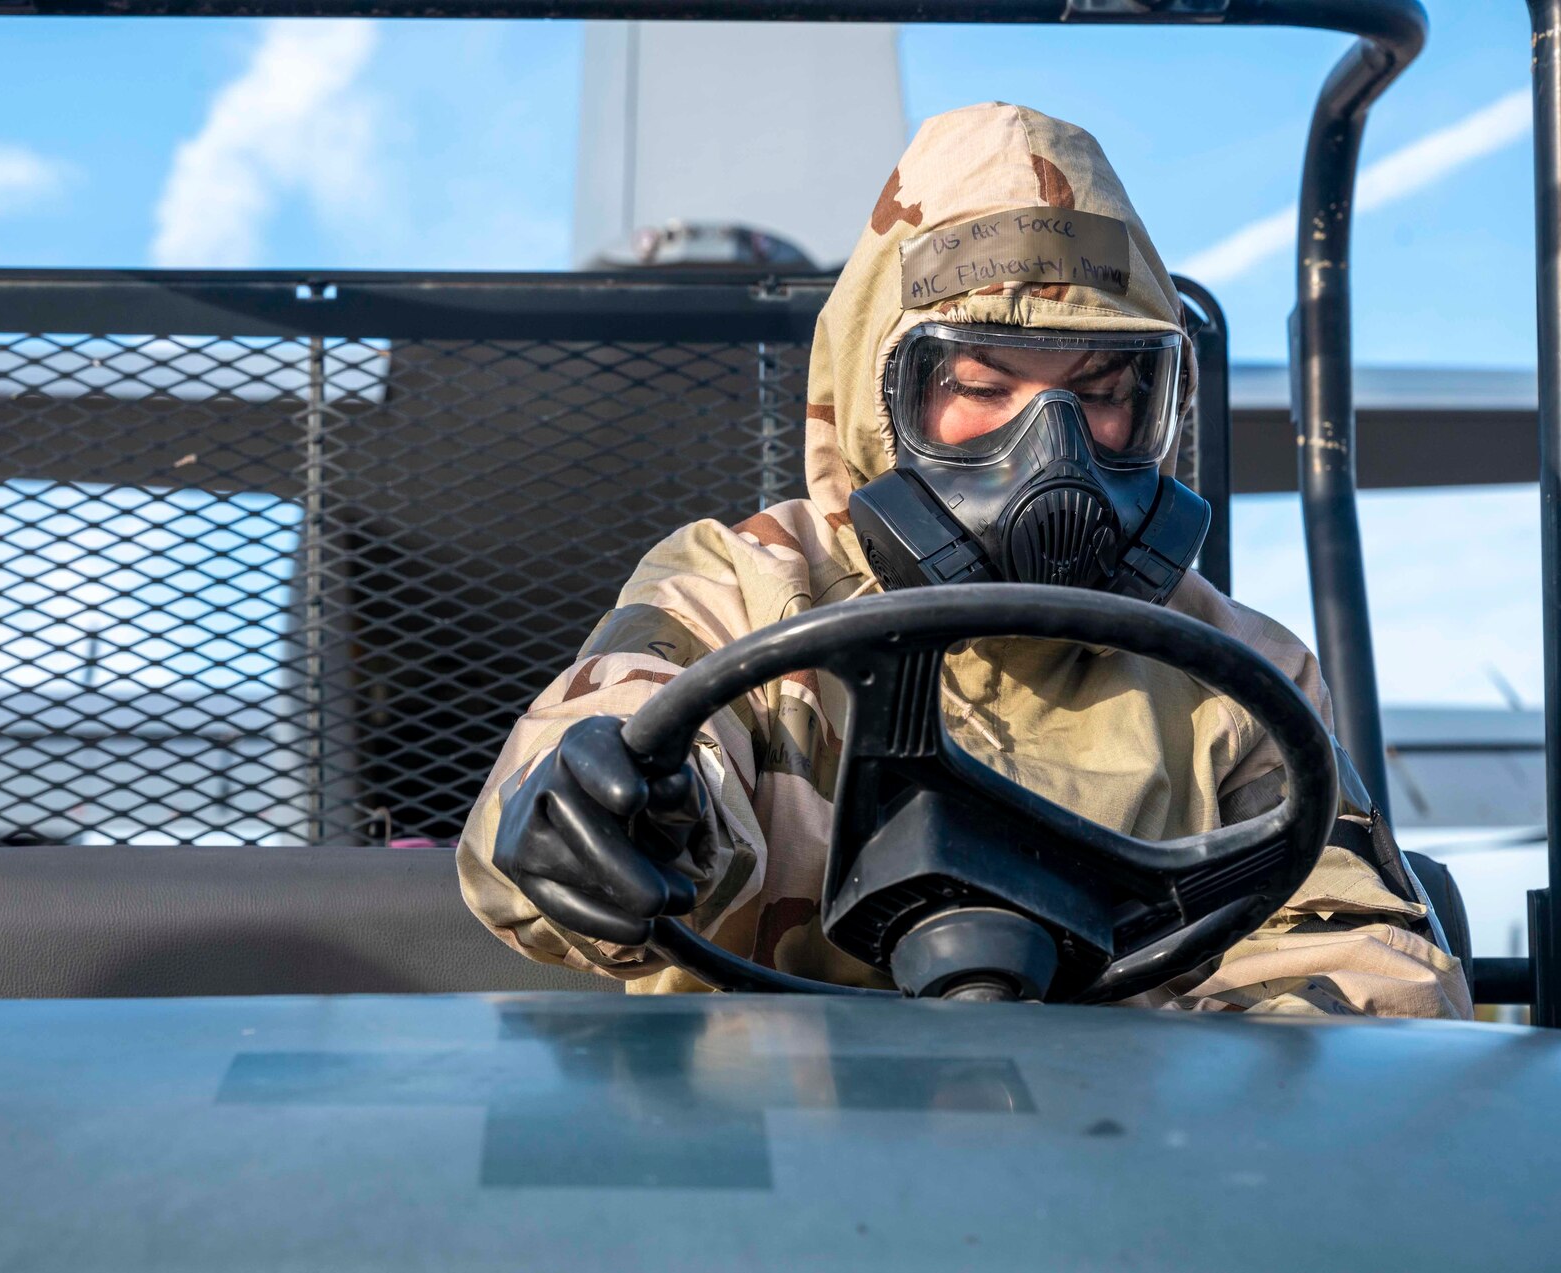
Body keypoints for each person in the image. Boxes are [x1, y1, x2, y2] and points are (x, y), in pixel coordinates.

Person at [456, 103, 1471, 1019]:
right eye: (983, 382)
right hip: (753, 1151)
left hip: (1110, 1174)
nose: (1053, 451)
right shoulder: (738, 584)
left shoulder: (1238, 670)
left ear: (1157, 406)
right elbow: (597, 743)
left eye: (1104, 389)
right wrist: (623, 816)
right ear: (879, 397)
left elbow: (1359, 960)